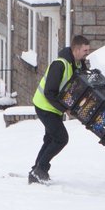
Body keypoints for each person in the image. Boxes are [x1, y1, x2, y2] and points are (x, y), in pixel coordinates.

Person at [30, 34, 93, 185]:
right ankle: (40, 170)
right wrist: (65, 109)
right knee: (61, 138)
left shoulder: (77, 64)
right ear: (76, 50)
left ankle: (36, 170)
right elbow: (49, 92)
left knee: (50, 139)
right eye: (85, 50)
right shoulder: (60, 64)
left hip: (54, 108)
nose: (87, 53)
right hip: (45, 106)